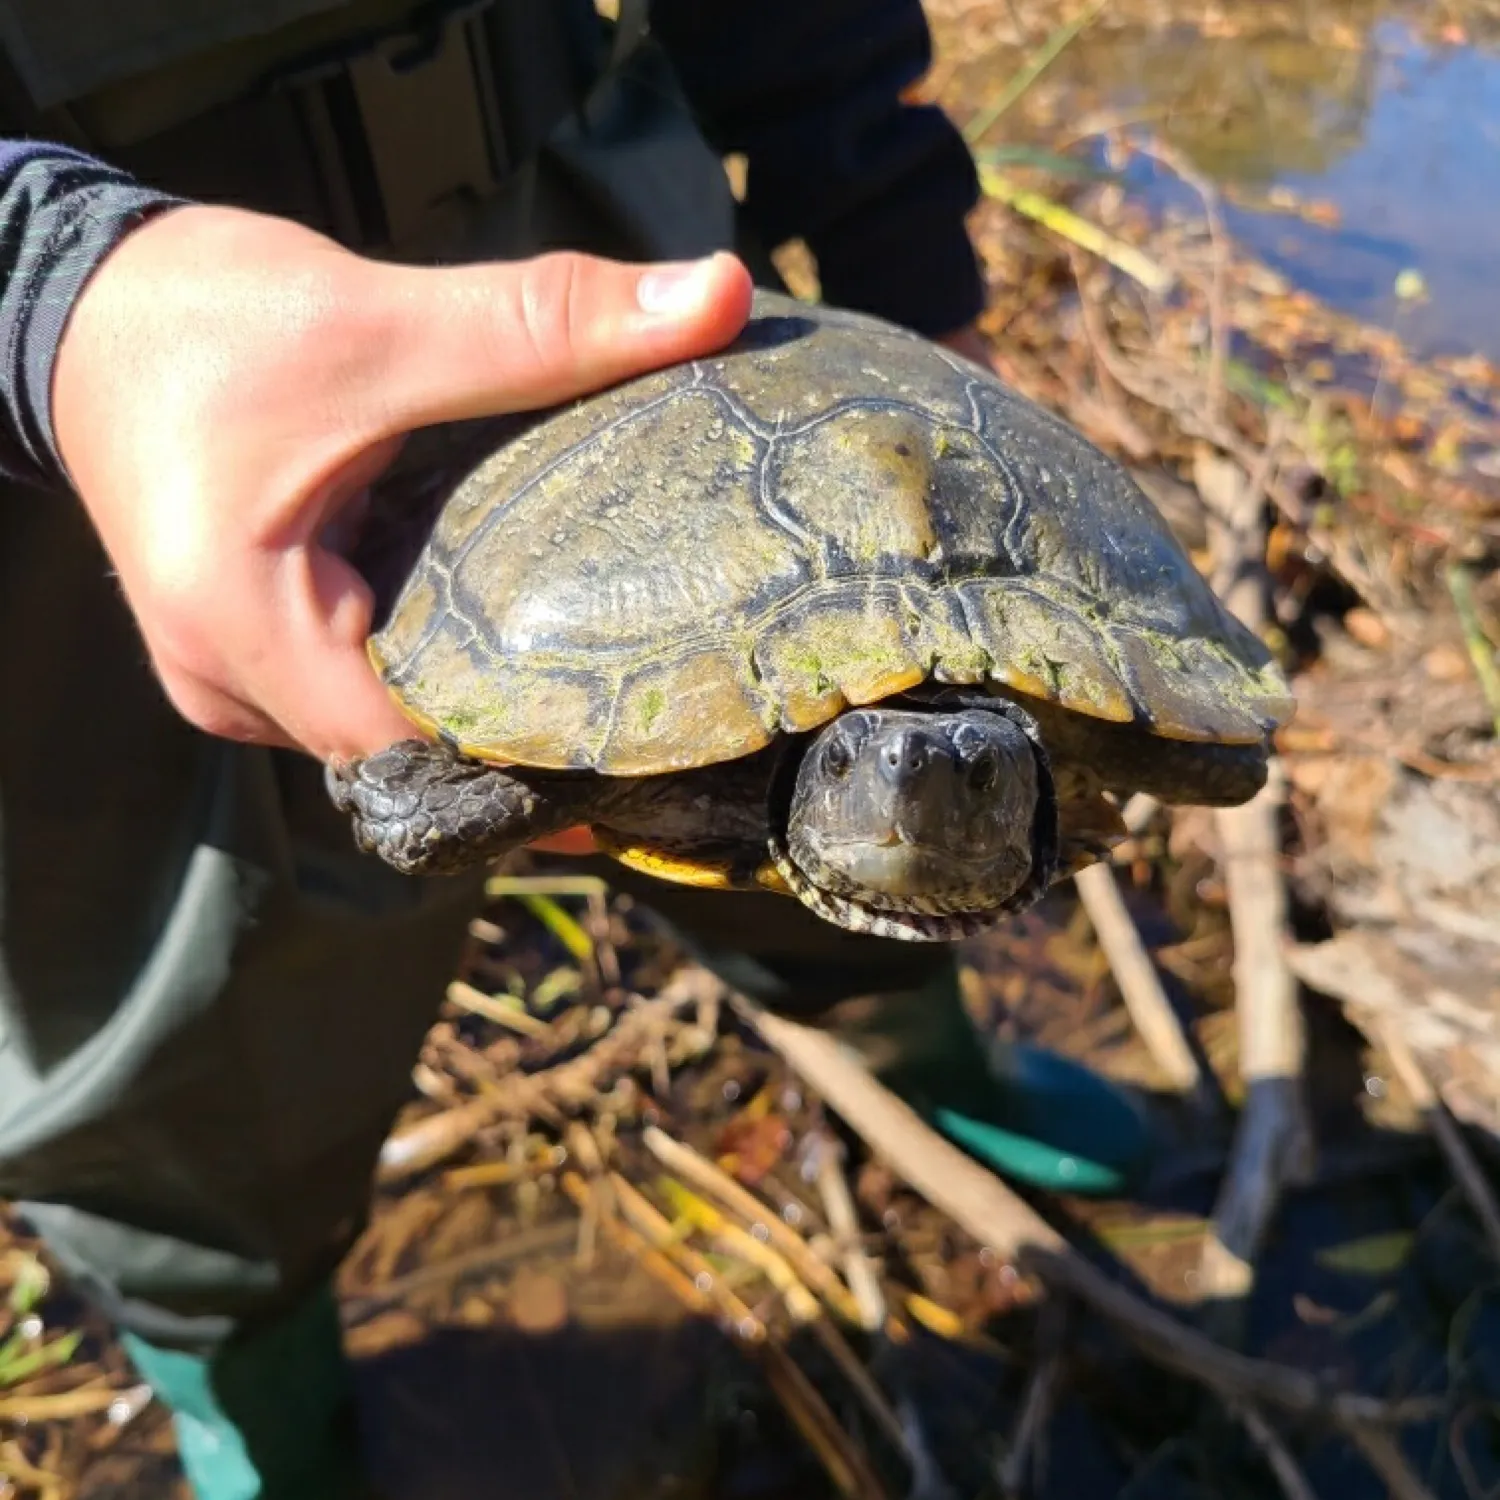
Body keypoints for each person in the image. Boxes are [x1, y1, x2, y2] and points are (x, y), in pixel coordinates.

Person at [0, 3, 1144, 1495]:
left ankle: (908, 1042)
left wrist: (885, 222)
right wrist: (46, 289)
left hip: (593, 228)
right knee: (174, 1025)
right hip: (99, 401)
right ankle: (237, 1367)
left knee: (859, 757)